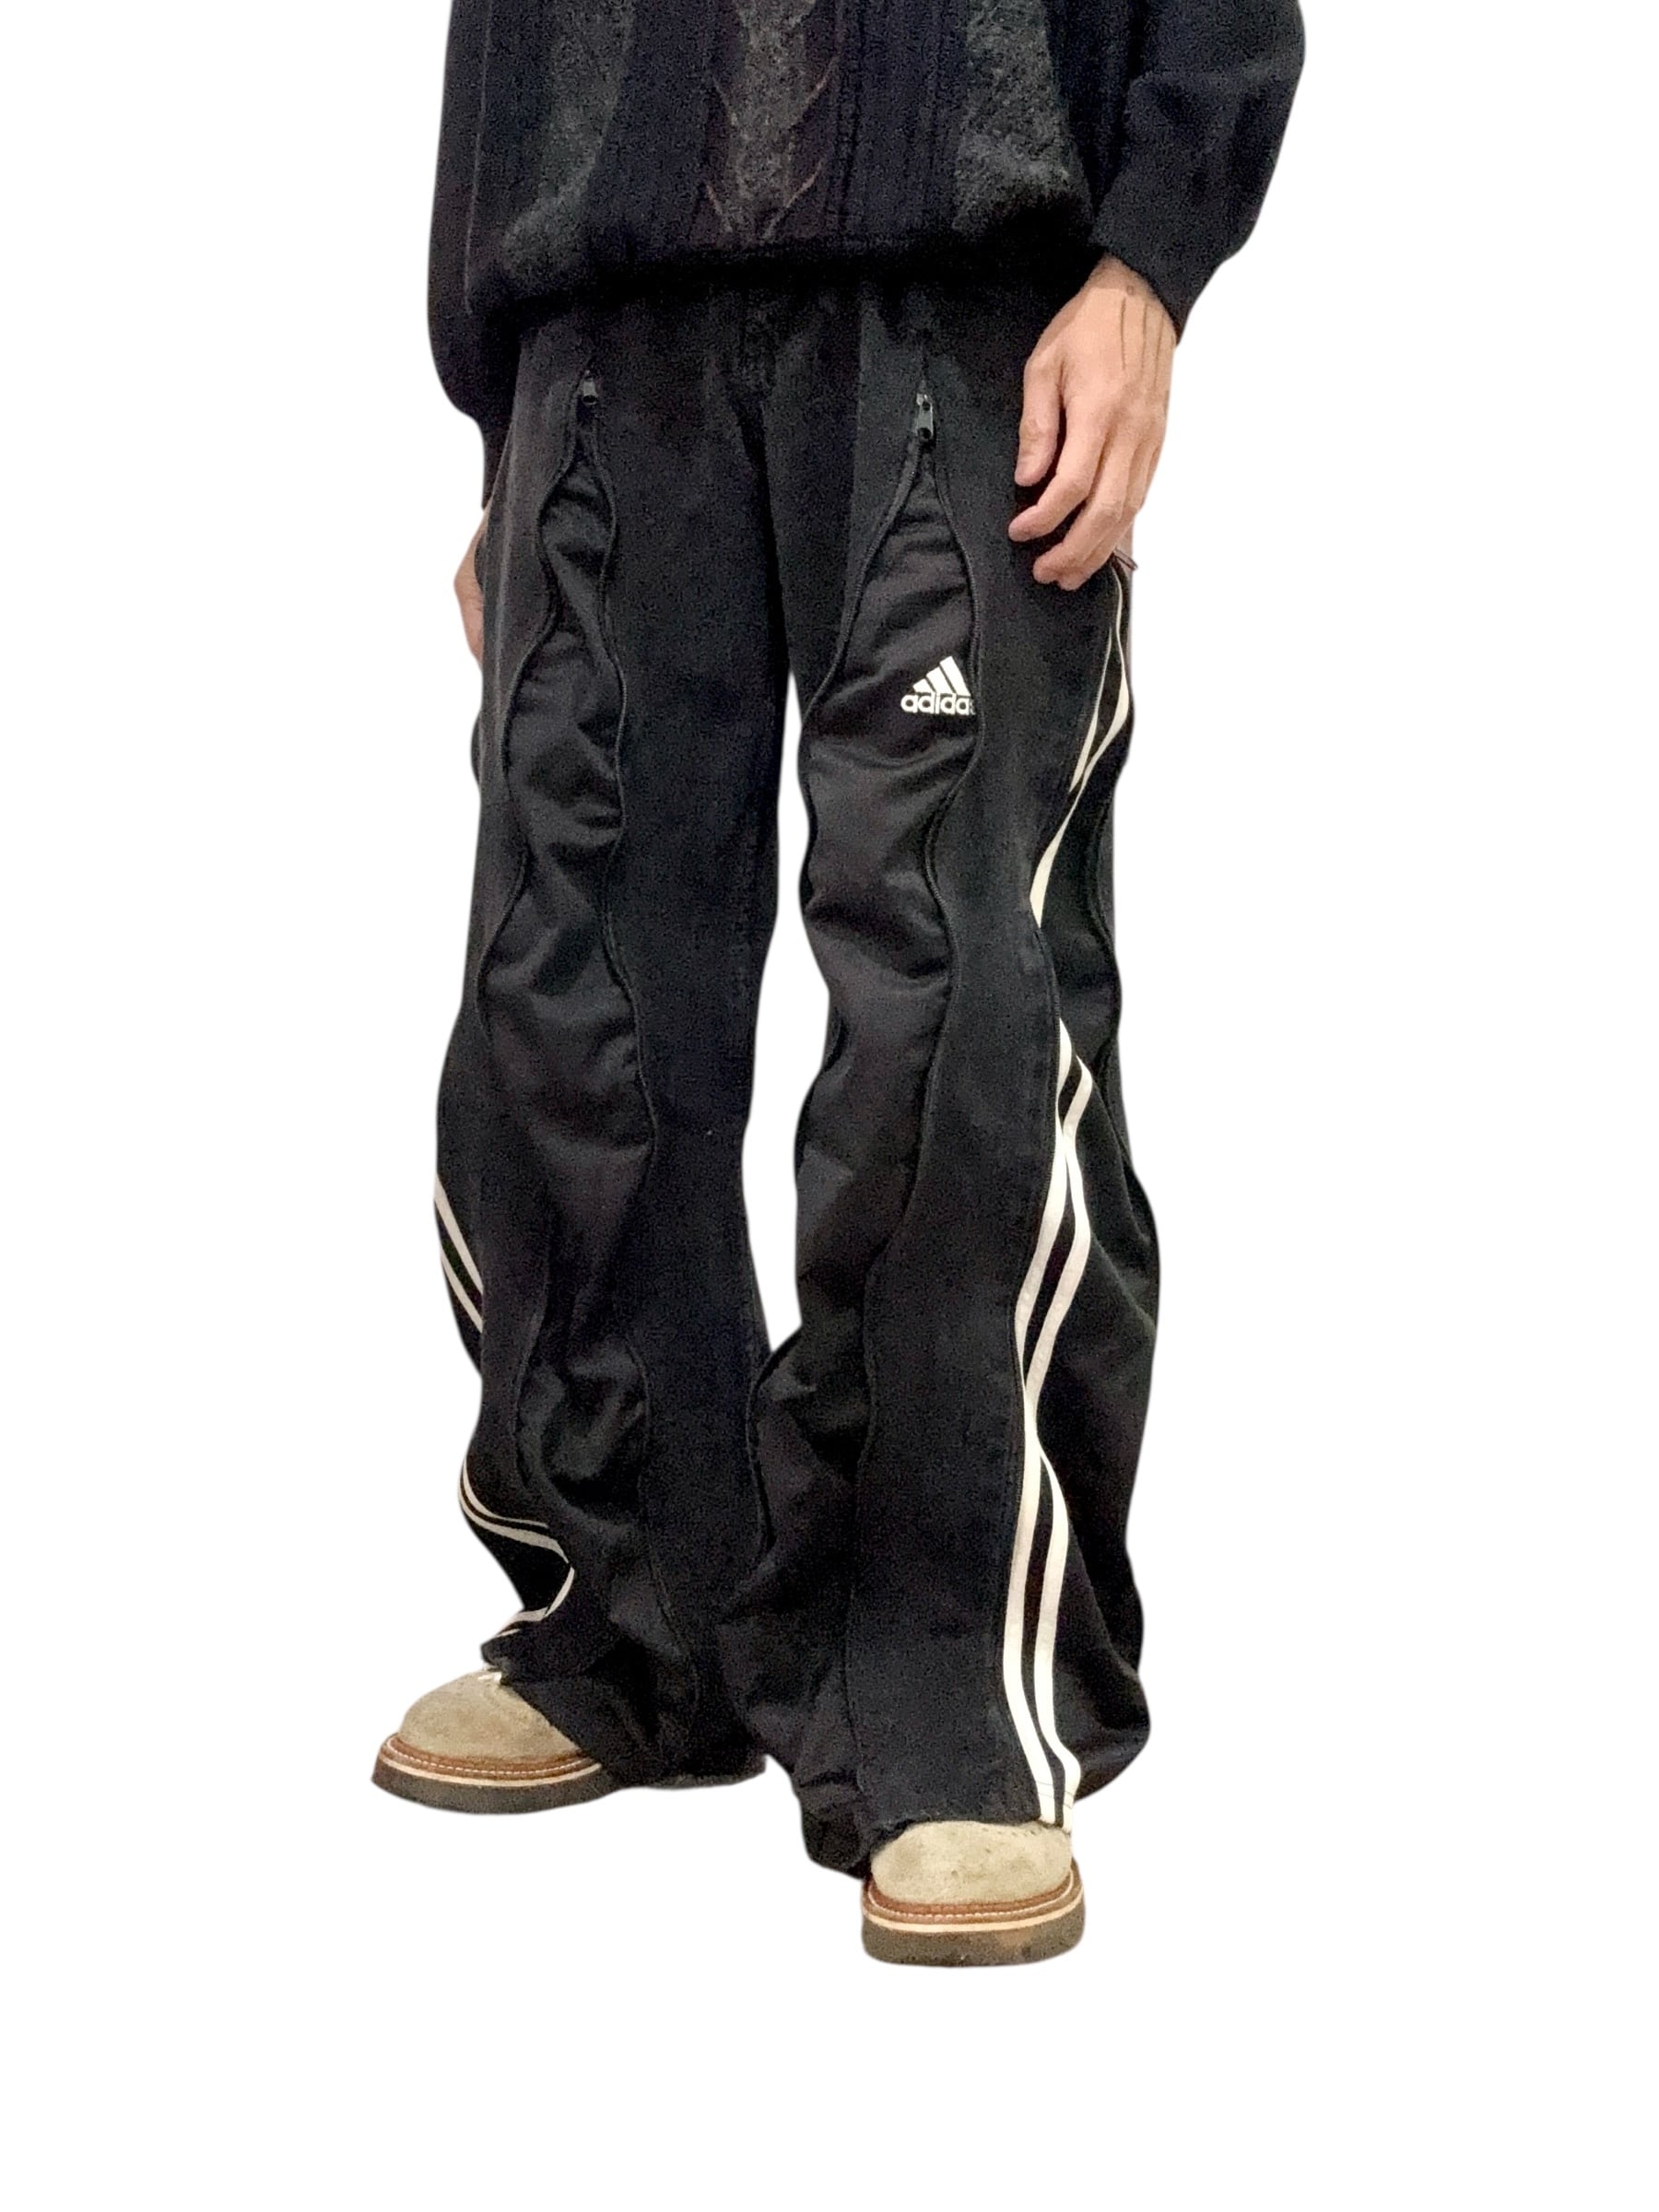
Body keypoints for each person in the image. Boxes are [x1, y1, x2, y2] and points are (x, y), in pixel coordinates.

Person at [372, 0, 1303, 1966]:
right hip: (599, 295)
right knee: (563, 981)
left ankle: (948, 1695)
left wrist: (1147, 262)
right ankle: (633, 1624)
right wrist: (497, 404)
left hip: (962, 279)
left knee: (950, 992)